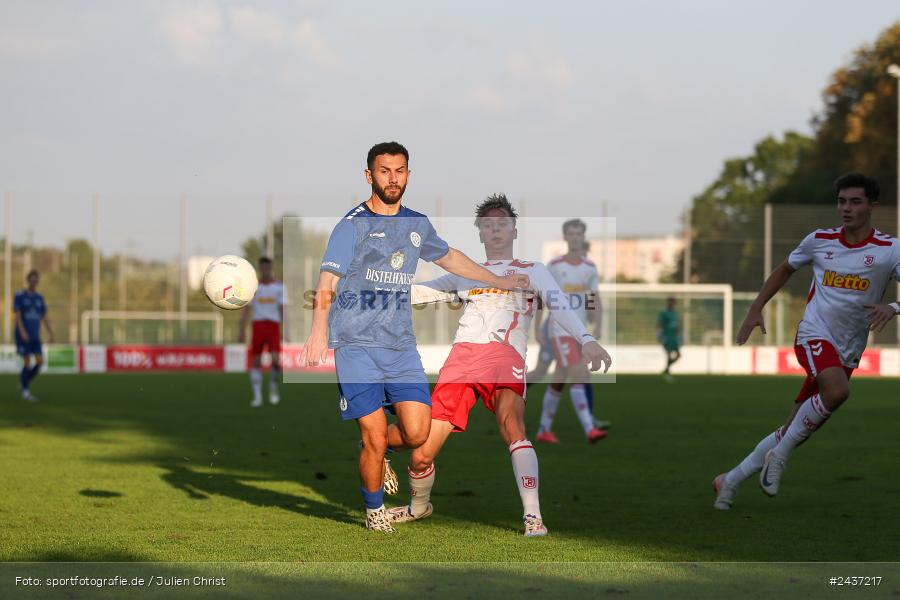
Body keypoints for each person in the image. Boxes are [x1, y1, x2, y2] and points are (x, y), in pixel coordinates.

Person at [299, 142, 529, 533]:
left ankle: (375, 451)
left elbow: (450, 257)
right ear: (369, 175)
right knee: (374, 433)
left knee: (417, 431)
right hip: (356, 346)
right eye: (384, 170)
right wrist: (318, 330)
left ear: (408, 174)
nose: (393, 178)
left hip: (400, 347)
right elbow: (327, 280)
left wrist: (498, 280)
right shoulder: (352, 225)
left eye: (400, 170)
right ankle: (374, 510)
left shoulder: (417, 225)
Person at [385, 194, 611, 536]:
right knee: (421, 455)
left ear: (514, 231)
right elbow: (419, 293)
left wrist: (587, 339)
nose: (495, 229)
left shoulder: (532, 270)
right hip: (462, 360)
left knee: (512, 426)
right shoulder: (465, 273)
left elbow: (559, 305)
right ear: (480, 233)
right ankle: (418, 507)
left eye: (502, 223)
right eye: (488, 225)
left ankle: (533, 517)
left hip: (505, 356)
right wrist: (374, 288)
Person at [713, 173, 900, 510]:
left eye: (855, 201)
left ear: (872, 206)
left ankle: (730, 480)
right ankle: (779, 457)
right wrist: (756, 308)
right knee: (838, 392)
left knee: (794, 427)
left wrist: (893, 307)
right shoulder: (819, 240)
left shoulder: (890, 250)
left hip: (849, 349)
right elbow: (785, 269)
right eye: (841, 201)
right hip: (814, 333)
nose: (846, 208)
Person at [535, 219, 607, 443]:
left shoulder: (590, 268)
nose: (575, 237)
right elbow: (542, 296)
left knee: (560, 377)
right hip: (559, 329)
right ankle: (589, 429)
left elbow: (592, 298)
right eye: (571, 233)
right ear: (565, 237)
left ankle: (543, 429)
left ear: (583, 237)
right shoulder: (555, 266)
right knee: (579, 373)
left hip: (580, 331)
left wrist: (597, 323)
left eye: (579, 233)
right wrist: (537, 327)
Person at [239, 257, 284, 407]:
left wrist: (285, 329)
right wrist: (242, 330)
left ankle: (273, 388)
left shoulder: (279, 287)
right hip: (258, 325)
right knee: (256, 361)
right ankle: (257, 396)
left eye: (267, 267)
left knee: (276, 360)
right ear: (260, 268)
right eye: (263, 267)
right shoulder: (253, 287)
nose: (265, 270)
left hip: (273, 325)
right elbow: (247, 310)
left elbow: (282, 309)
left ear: (270, 268)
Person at [13, 270, 54, 402]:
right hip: (23, 335)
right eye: (32, 280)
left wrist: (51, 332)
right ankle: (25, 392)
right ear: (28, 280)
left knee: (40, 361)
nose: (34, 282)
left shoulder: (39, 298)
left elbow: (44, 316)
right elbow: (17, 316)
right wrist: (22, 331)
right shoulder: (20, 296)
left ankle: (24, 382)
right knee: (27, 362)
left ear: (38, 282)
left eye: (36, 280)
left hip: (35, 335)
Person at [657, 297, 681, 381]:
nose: (671, 304)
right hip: (667, 336)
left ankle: (666, 370)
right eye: (669, 302)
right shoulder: (664, 313)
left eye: (672, 302)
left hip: (674, 337)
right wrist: (659, 335)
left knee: (678, 355)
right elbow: (659, 324)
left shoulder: (675, 313)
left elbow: (676, 325)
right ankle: (667, 374)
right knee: (669, 354)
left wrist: (679, 335)